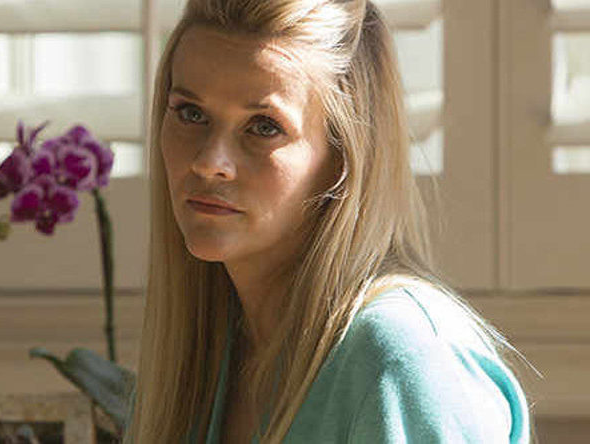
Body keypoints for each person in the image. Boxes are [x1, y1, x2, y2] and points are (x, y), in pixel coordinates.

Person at [124, 0, 538, 442]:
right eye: (191, 113)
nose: (209, 162)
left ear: (344, 156)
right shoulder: (210, 354)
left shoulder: (401, 363)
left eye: (263, 127)